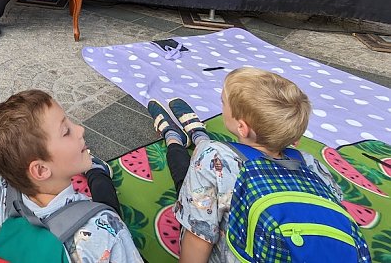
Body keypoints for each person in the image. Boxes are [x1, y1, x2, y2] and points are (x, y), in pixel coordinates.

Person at [151, 68, 368, 263]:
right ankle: (197, 133)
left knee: (191, 182)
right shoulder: (312, 165)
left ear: (242, 127)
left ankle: (177, 138)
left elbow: (199, 235)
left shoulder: (212, 156)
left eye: (223, 103)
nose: (222, 104)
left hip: (226, 236)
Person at [0, 89, 143, 262]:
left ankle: (95, 170)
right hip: (97, 218)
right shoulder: (106, 230)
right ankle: (96, 171)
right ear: (41, 170)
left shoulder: (0, 195)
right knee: (106, 203)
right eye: (66, 131)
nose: (80, 130)